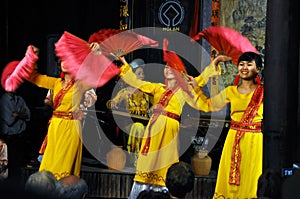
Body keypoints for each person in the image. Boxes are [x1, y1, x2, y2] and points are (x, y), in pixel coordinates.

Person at [114, 48, 226, 199]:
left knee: (165, 164)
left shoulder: (183, 90)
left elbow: (200, 79)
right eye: (166, 66)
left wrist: (215, 62)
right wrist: (124, 62)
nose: (167, 69)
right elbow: (137, 82)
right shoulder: (158, 88)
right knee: (148, 164)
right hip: (153, 131)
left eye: (171, 67)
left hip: (168, 131)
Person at [190, 51, 264, 198]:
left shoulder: (263, 92)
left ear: (258, 69)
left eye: (249, 64)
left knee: (251, 176)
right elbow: (208, 105)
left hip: (254, 140)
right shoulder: (231, 91)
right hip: (233, 137)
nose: (244, 67)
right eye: (241, 64)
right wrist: (195, 88)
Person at [23, 44, 100, 180]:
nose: (65, 62)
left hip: (71, 127)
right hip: (55, 128)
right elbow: (32, 77)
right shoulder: (56, 83)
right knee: (48, 167)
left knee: (63, 169)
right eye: (63, 60)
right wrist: (31, 58)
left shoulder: (80, 84)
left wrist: (96, 54)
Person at [107, 58, 152, 165]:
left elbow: (157, 104)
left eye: (142, 74)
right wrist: (112, 103)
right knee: (138, 127)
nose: (142, 76)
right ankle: (136, 160)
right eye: (139, 73)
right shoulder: (125, 92)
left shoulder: (146, 92)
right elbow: (111, 103)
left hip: (145, 123)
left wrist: (153, 108)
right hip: (129, 124)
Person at [0, 89, 31, 179]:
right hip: (9, 138)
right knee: (9, 165)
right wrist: (21, 114)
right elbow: (9, 121)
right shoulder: (3, 100)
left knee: (19, 165)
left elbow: (28, 115)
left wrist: (16, 114)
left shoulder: (20, 99)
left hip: (20, 136)